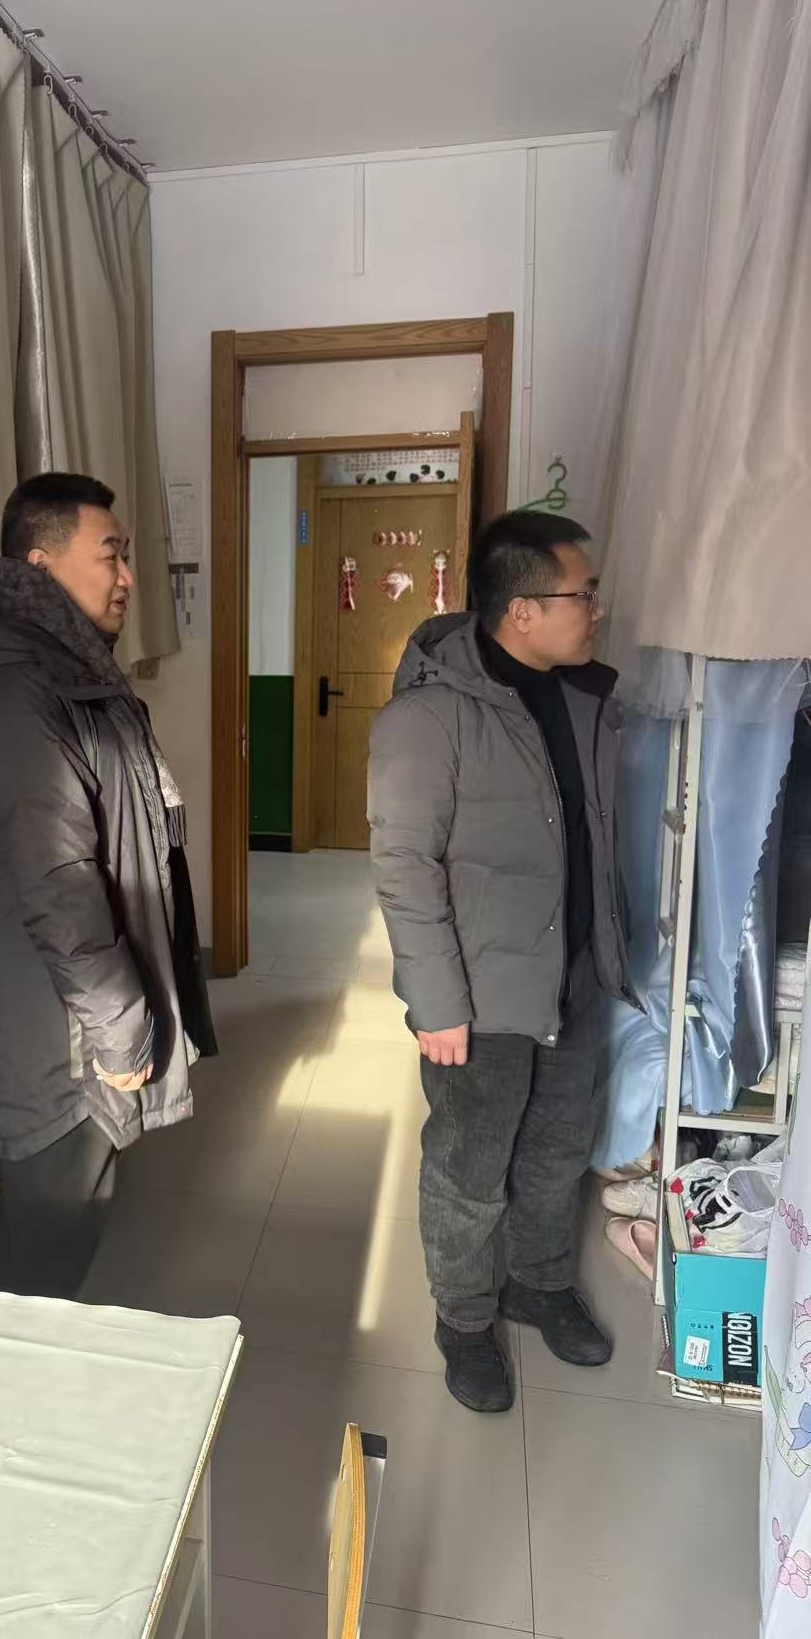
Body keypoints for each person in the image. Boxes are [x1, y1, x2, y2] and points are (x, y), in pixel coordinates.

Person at [0, 473, 213, 1301]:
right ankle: (19, 1380)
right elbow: (57, 883)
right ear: (39, 565)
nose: (127, 576)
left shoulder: (64, 671)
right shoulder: (12, 694)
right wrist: (121, 1027)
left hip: (60, 1011)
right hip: (50, 1026)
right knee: (45, 1253)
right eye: (110, 555)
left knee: (64, 1222)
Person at [368, 511, 629, 1413]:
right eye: (582, 593)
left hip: (575, 973)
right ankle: (464, 1319)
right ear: (522, 610)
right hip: (479, 996)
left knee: (557, 1149)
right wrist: (435, 1003)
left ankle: (539, 1283)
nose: (596, 608)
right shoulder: (427, 717)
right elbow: (403, 868)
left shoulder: (585, 696)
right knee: (469, 1168)